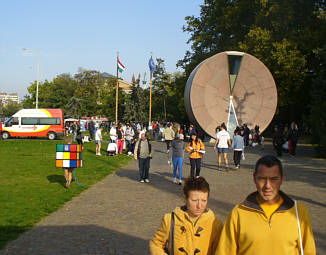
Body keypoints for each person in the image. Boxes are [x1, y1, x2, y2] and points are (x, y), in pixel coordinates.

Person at [215, 155, 316, 255]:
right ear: (254, 178)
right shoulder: (238, 213)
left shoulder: (298, 211)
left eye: (274, 179)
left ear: (282, 179)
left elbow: (309, 251)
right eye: (262, 179)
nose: (268, 185)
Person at [150, 176, 223, 255]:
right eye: (194, 200)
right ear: (185, 198)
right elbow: (156, 244)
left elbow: (220, 251)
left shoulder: (215, 224)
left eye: (204, 200)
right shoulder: (170, 220)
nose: (199, 205)